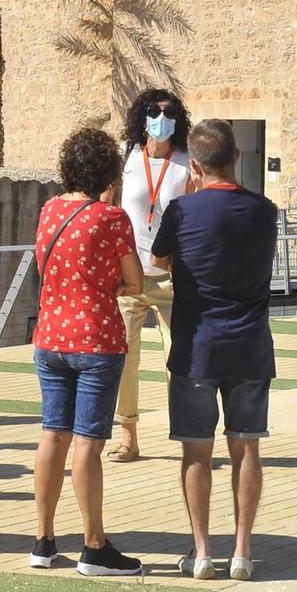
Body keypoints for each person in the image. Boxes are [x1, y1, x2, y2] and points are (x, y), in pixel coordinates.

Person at [151, 119, 278, 581]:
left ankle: (202, 551)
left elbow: (159, 259)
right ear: (237, 157)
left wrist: (189, 197)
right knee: (247, 449)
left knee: (196, 453)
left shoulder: (182, 212)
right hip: (250, 345)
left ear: (196, 164)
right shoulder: (266, 210)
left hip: (195, 345)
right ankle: (243, 551)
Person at [29, 127, 145, 577]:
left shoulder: (49, 210)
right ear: (109, 171)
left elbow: (47, 267)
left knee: (51, 433)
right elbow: (133, 280)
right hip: (96, 339)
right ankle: (94, 544)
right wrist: (106, 286)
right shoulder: (111, 218)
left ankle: (42, 539)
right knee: (87, 444)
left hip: (50, 336)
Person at [110, 87, 196, 463]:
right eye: (154, 111)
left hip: (172, 276)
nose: (161, 119)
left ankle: (187, 429)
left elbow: (196, 212)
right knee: (124, 358)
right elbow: (109, 207)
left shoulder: (186, 162)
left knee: (178, 356)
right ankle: (128, 434)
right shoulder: (127, 158)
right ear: (141, 117)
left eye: (168, 112)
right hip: (128, 275)